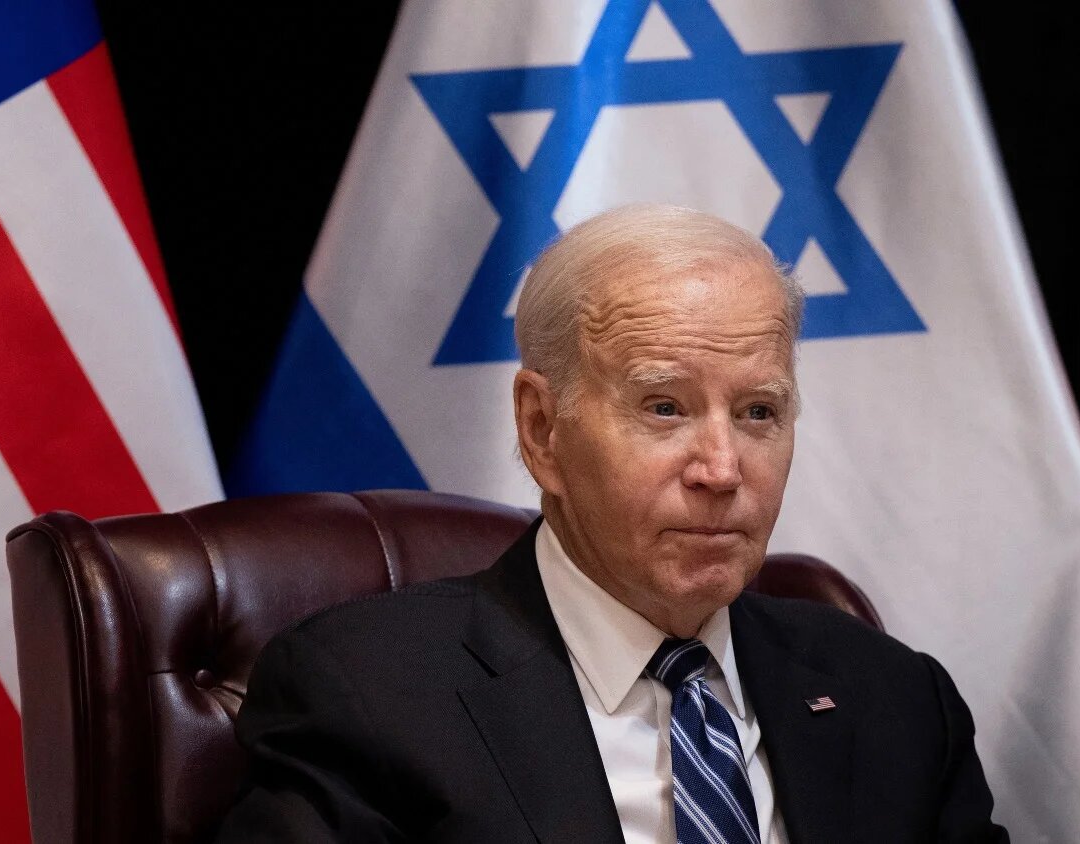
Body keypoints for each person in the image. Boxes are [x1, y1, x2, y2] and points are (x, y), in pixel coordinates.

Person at [217, 205, 1007, 842]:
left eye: (759, 412)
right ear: (541, 429)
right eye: (664, 408)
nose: (722, 469)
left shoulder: (895, 698)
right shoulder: (369, 696)